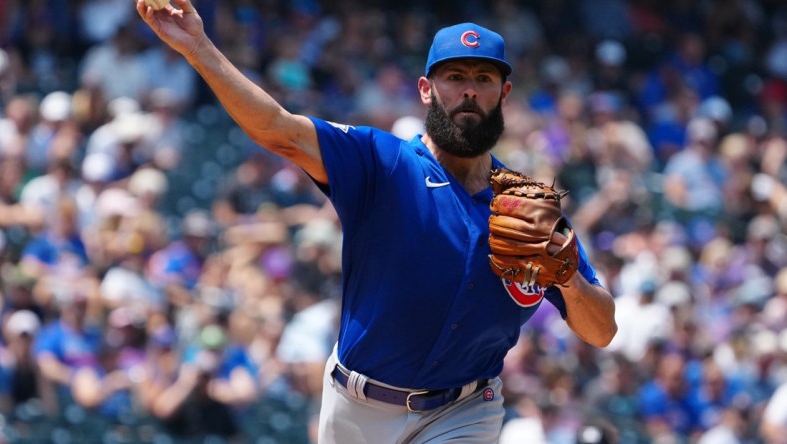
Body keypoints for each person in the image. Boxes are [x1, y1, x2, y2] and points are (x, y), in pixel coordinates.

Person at [136, 2, 617, 442]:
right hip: (355, 409)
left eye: (484, 78)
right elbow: (279, 129)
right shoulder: (382, 163)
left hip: (466, 411)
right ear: (426, 90)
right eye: (454, 76)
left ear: (504, 93)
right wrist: (199, 48)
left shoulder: (529, 210)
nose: (469, 89)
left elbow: (602, 331)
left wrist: (569, 276)